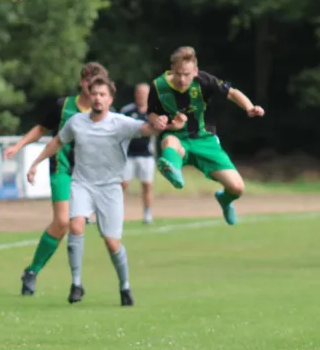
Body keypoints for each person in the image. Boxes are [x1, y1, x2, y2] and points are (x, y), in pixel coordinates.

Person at [26, 75, 158, 306]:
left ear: (110, 99)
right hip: (82, 184)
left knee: (111, 242)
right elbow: (57, 142)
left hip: (110, 188)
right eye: (94, 94)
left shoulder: (121, 123)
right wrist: (36, 162)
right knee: (75, 225)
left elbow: (147, 129)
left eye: (102, 95)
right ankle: (76, 284)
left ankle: (124, 285)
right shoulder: (76, 122)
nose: (97, 98)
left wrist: (165, 123)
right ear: (89, 96)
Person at [3, 62, 108, 296]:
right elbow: (41, 129)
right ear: (81, 83)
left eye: (96, 84)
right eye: (88, 82)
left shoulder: (104, 111)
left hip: (89, 175)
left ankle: (74, 283)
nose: (92, 88)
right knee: (62, 222)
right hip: (62, 169)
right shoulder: (64, 106)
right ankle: (32, 272)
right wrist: (19, 145)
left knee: (76, 226)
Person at [148, 46, 265, 225]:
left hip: (205, 140)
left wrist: (249, 107)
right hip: (177, 137)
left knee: (237, 188)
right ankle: (173, 170)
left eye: (186, 74)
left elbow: (231, 93)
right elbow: (151, 112)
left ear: (195, 71)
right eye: (178, 73)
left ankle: (225, 200)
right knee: (169, 141)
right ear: (171, 69)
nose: (181, 79)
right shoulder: (158, 85)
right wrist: (158, 120)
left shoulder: (204, 80)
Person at [120, 83, 155, 224]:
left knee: (147, 185)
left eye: (144, 93)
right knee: (123, 184)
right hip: (128, 155)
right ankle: (118, 213)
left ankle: (147, 213)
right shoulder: (127, 111)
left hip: (146, 155)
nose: (141, 95)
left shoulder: (153, 112)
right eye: (139, 92)